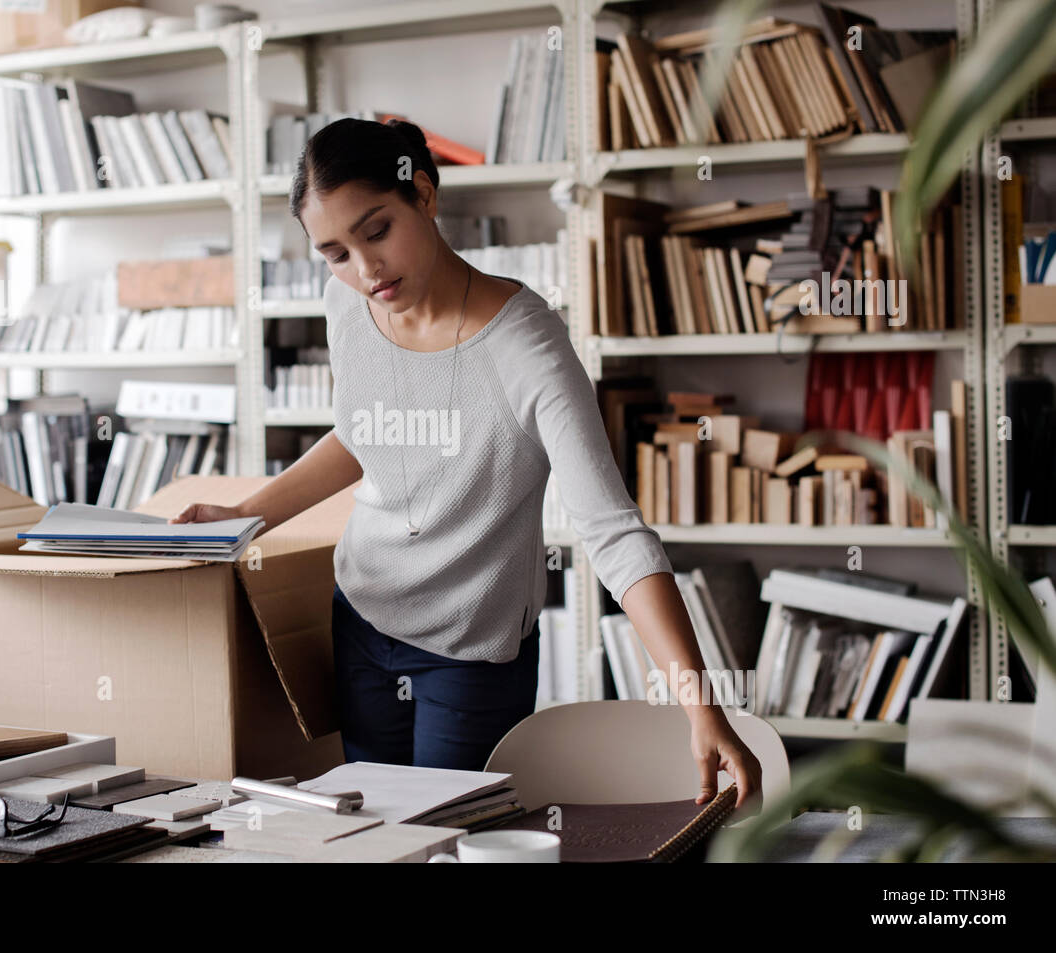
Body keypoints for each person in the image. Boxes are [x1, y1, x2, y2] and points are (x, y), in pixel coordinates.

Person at [171, 117, 761, 811]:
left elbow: (614, 534)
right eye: (333, 252)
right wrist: (247, 513)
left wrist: (698, 705)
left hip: (472, 651)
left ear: (423, 193)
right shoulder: (347, 303)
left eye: (376, 231)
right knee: (371, 838)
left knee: (450, 843)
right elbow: (364, 433)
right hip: (361, 618)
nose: (364, 270)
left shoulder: (527, 348)